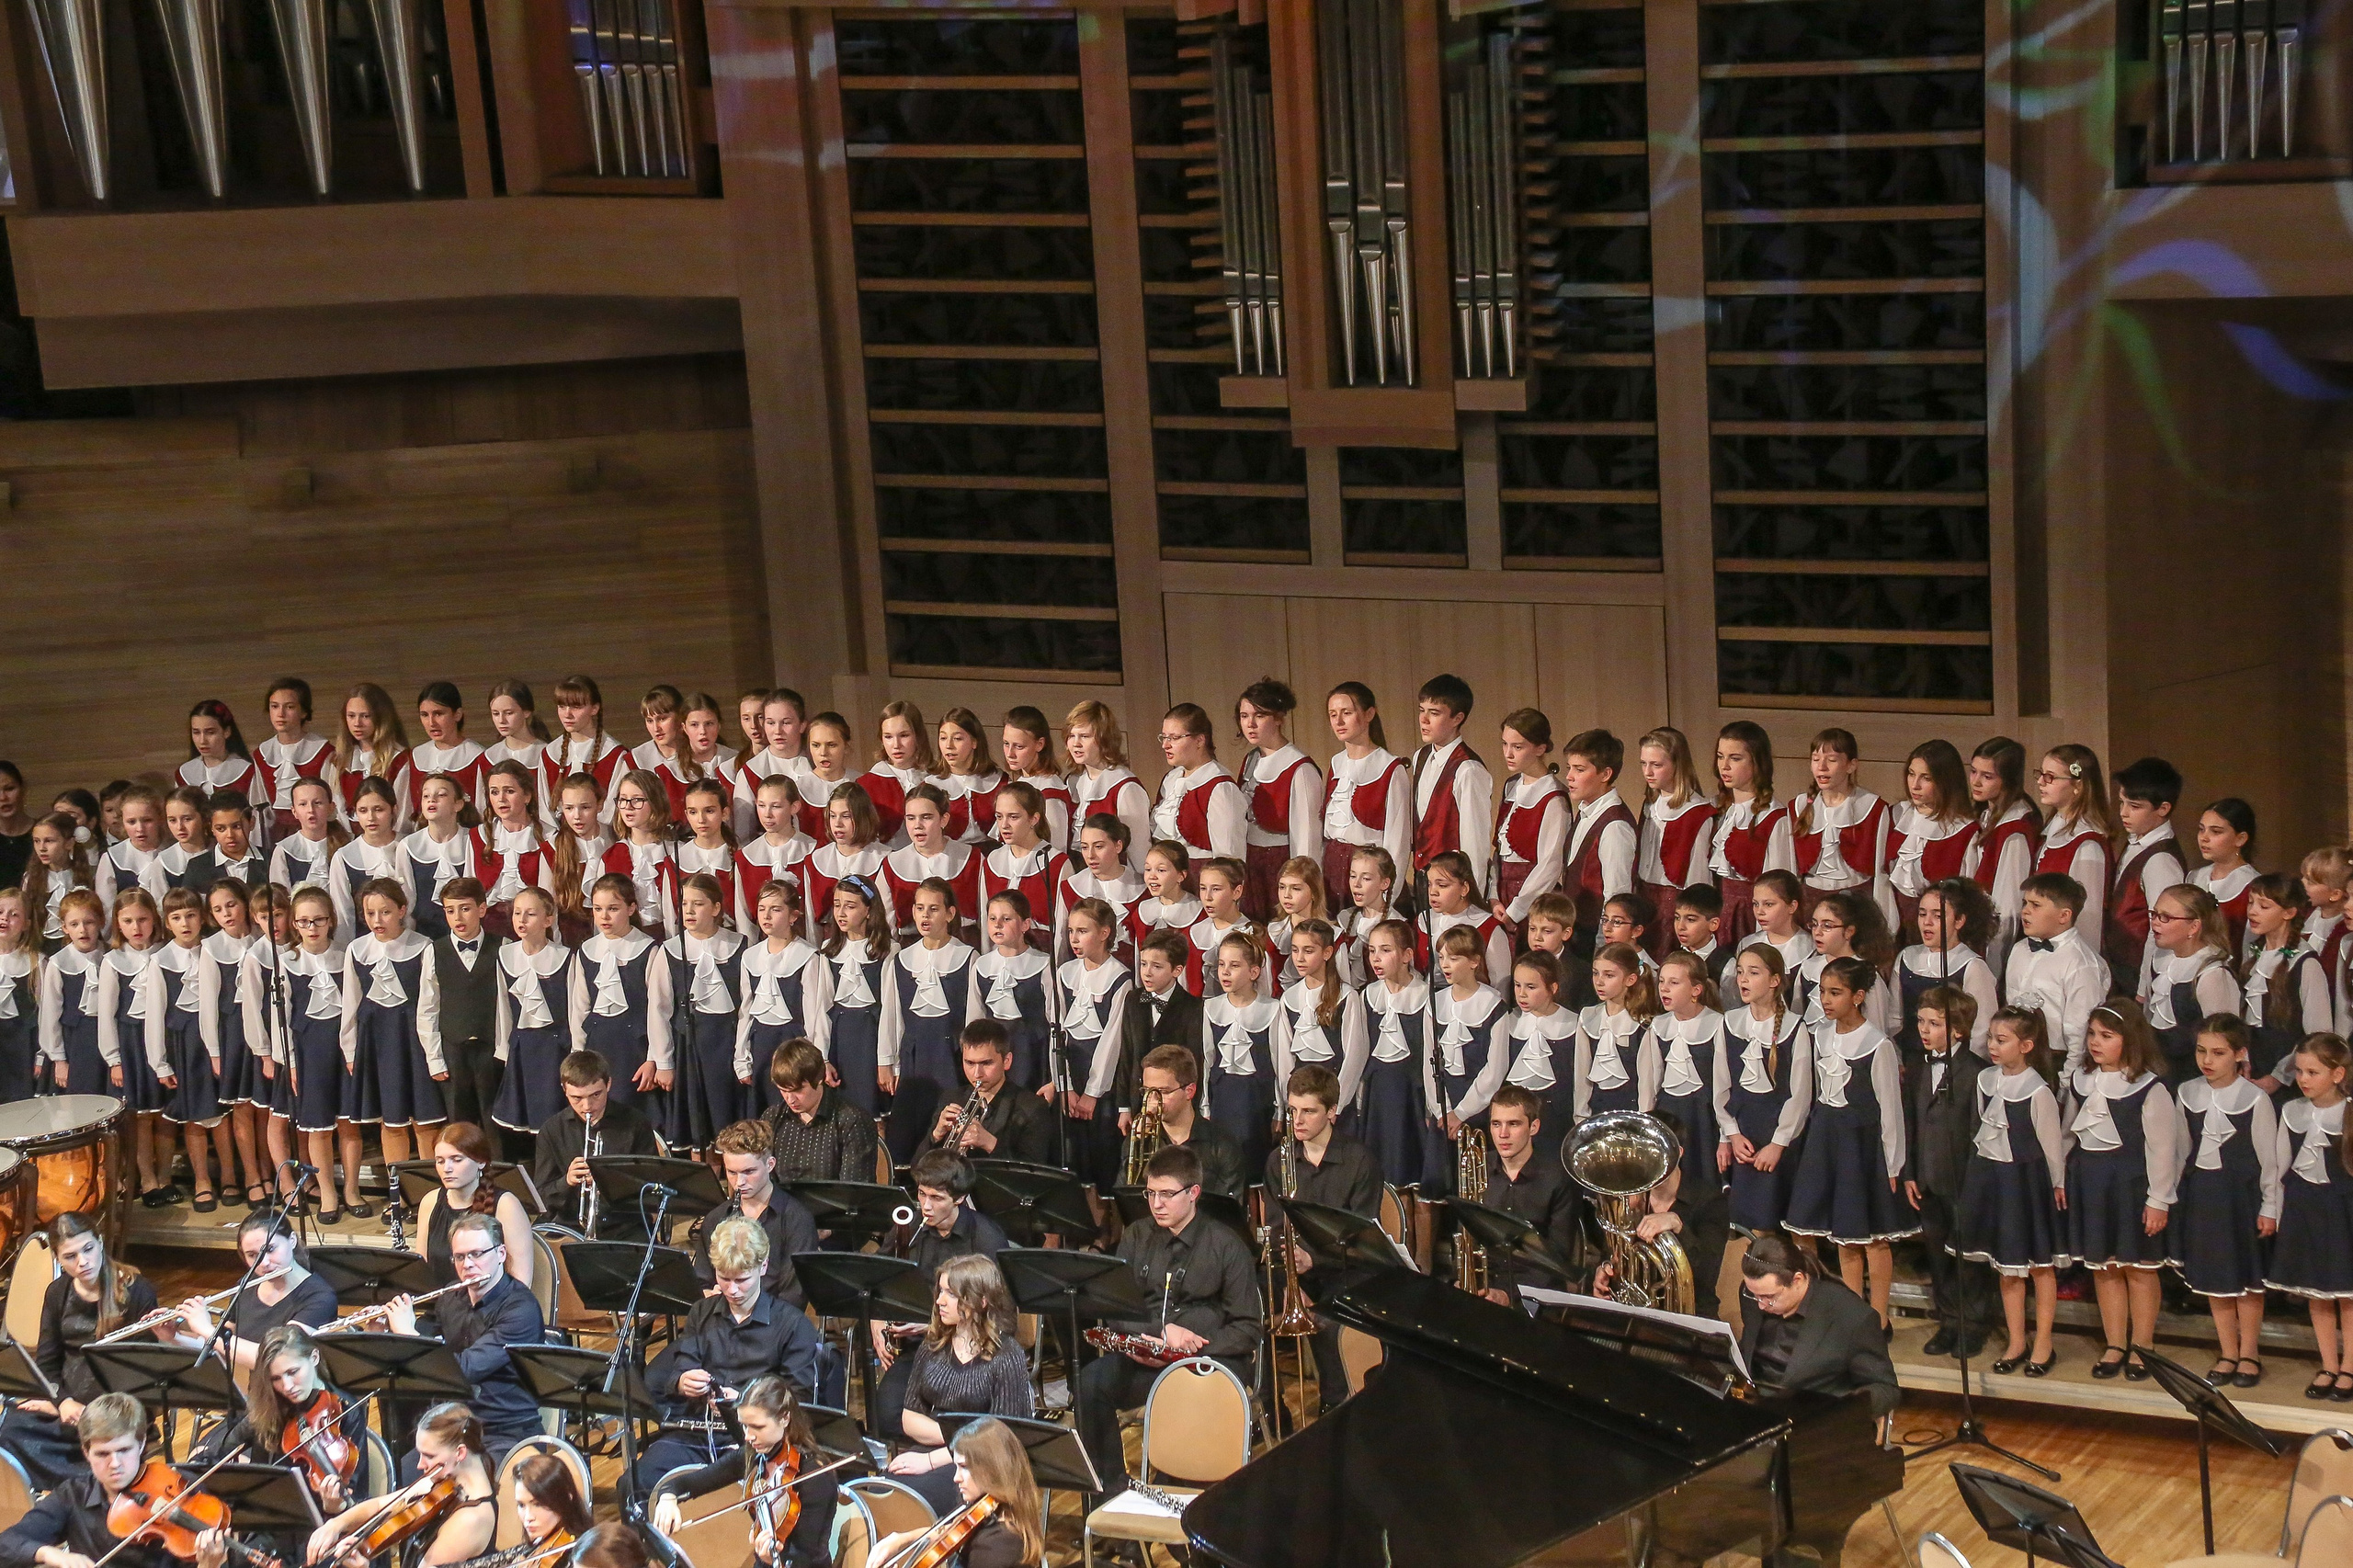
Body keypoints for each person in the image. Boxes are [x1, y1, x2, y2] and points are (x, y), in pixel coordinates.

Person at [1076, 1145, 1263, 1503]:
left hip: (1208, 1364)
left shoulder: (1227, 1245)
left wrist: (1194, 1346)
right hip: (1148, 1356)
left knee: (1192, 1397)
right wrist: (1155, 1337)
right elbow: (1116, 1308)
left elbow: (1247, 1328)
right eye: (1151, 1193)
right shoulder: (1135, 1237)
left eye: (1166, 1194)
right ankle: (1112, 1494)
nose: (1156, 1204)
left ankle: (1173, 1501)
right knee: (1090, 1383)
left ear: (1193, 1193)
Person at [1782, 958, 1915, 1331]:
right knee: (1824, 1230)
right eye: (1823, 992)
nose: (1826, 1000)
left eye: (1835, 993)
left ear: (1858, 997)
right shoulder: (1820, 1035)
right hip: (1825, 1137)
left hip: (1861, 1146)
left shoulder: (1877, 1045)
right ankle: (1846, 1311)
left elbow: (1891, 1111)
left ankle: (1878, 1316)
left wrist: (1892, 1165)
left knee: (1868, 1235)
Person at [638, 1217, 822, 1486]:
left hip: (757, 1440)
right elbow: (681, 1365)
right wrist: (683, 1381)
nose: (732, 1290)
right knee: (638, 1479)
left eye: (742, 1280)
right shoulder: (702, 1312)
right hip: (700, 1432)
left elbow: (798, 1397)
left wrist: (749, 1401)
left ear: (763, 1266)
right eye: (724, 1278)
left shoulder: (793, 1325)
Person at [0, 1216, 163, 1489]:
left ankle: (94, 1483)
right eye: (70, 1256)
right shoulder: (57, 1292)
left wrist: (89, 1412)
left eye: (88, 1249)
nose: (82, 1262)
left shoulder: (137, 1291)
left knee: (104, 1438)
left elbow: (142, 1370)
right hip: (69, 1407)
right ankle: (77, 1485)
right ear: (58, 1259)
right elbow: (47, 1363)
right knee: (10, 1429)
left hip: (117, 1407)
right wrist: (61, 1401)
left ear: (99, 1242)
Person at [2063, 1001, 2178, 1381]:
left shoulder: (2148, 1086)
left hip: (2131, 1186)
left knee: (2138, 1268)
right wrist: (2061, 1179)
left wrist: (2158, 1199)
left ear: (2129, 1040)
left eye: (2107, 1036)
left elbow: (2163, 1147)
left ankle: (2142, 1344)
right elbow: (2069, 1134)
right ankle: (2115, 1342)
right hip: (2091, 1184)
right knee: (2105, 1266)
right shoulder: (2080, 1081)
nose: (2096, 1042)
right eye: (2093, 1034)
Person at [1952, 1006, 2067, 1376]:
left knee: (2038, 1265)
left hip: (2027, 1184)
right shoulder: (1985, 1081)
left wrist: (2056, 1185)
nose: (1992, 1047)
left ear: (2027, 1045)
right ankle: (2017, 1339)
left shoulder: (2038, 1090)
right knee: (2007, 1266)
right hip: (1992, 1178)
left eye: (2002, 1041)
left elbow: (2052, 1147)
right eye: (1990, 1039)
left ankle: (2044, 1341)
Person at [2166, 1016, 2279, 1389]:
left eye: (2218, 1052)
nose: (2207, 1060)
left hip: (2241, 1198)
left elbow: (2269, 1160)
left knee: (2246, 1278)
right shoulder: (2187, 1093)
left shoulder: (2255, 1099)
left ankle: (2250, 1352)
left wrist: (2269, 1206)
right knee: (2216, 1276)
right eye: (2201, 1051)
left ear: (2240, 1054)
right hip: (2203, 1195)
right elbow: (2182, 1151)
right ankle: (2227, 1350)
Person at [382, 1214, 548, 1464]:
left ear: (501, 1253)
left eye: (477, 1254)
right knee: (402, 1480)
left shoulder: (520, 1309)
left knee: (468, 1481)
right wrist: (387, 1330)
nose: (468, 1264)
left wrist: (409, 1334)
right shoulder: (451, 1297)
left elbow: (463, 1369)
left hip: (505, 1431)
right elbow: (429, 1346)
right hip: (453, 1428)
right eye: (460, 1257)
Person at [1264, 1065, 1381, 1415]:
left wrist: (1313, 1262)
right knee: (1248, 1301)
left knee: (1330, 1319)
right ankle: (1272, 1407)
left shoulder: (1360, 1161)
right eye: (1293, 1110)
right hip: (1295, 1268)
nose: (1297, 1120)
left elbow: (1362, 1241)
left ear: (1332, 1112)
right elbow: (1273, 1226)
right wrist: (1287, 1279)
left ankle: (1336, 1404)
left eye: (1309, 1111)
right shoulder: (1278, 1160)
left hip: (1345, 1269)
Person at [882, 1256, 1034, 1513]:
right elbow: (910, 1418)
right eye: (940, 1291)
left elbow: (1000, 1439)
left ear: (981, 1301)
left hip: (981, 1468)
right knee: (884, 1491)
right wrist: (961, 1437)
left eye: (951, 1294)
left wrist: (933, 1460)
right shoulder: (932, 1346)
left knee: (913, 1502)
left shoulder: (1007, 1356)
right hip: (939, 1451)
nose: (940, 1301)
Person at [646, 1377, 835, 1568]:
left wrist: (776, 1559)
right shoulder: (753, 1456)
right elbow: (684, 1483)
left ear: (785, 1418)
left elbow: (807, 1558)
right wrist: (668, 1497)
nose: (748, 1436)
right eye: (745, 1425)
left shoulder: (815, 1474)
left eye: (758, 1427)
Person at [1900, 987, 1992, 1361]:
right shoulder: (1920, 1066)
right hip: (1927, 1180)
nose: (1924, 1029)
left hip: (1963, 1182)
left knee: (1967, 1258)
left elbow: (1977, 1134)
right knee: (1938, 1257)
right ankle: (1948, 1321)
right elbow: (1913, 1124)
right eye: (1921, 1021)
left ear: (1958, 1030)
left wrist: (1974, 1186)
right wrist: (1910, 1172)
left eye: (1934, 1024)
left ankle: (1974, 1325)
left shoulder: (1976, 1073)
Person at [2263, 1033, 2353, 1401]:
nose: (2303, 1079)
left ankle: (2350, 1366)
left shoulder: (2349, 1111)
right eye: (2299, 1071)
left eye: (2312, 1072)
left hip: (2342, 1210)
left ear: (2337, 1074)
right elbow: (2279, 1165)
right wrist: (2272, 1209)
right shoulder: (2292, 1111)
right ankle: (2329, 1363)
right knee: (2318, 1292)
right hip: (2304, 1207)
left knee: (2347, 1293)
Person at [199, 1324, 368, 1516]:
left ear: (314, 1358)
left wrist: (334, 1502)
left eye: (293, 1372)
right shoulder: (273, 1405)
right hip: (272, 1516)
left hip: (325, 1519)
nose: (287, 1386)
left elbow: (355, 1491)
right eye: (276, 1378)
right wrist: (198, 1467)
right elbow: (227, 1446)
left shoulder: (346, 1409)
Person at [307, 1403, 497, 1567]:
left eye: (429, 1456)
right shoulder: (449, 1478)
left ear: (460, 1453)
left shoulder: (471, 1520)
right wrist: (335, 1525)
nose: (420, 1465)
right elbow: (381, 1506)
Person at [0, 1392, 177, 1568]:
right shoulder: (73, 1495)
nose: (115, 1464)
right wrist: (48, 1553)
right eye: (102, 1454)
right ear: (86, 1452)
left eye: (123, 1450)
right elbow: (7, 1544)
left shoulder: (177, 1490)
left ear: (141, 1444)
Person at [1733, 1235, 1899, 1418]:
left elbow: (1885, 1390)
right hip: (1757, 1414)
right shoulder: (1753, 1295)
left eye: (1769, 1297)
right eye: (1755, 1295)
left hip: (1815, 1423)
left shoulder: (1851, 1316)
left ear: (1797, 1280)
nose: (1760, 1305)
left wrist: (1839, 1412)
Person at [165, 1210, 338, 1376]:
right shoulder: (245, 1286)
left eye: (270, 1249)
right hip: (255, 1394)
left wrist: (206, 1329)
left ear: (292, 1240)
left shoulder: (320, 1298)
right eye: (252, 1255)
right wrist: (174, 1338)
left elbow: (278, 1360)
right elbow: (225, 1349)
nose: (264, 1262)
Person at [873, 1417, 1046, 1568]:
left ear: (991, 1469)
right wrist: (901, 1539)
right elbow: (952, 1531)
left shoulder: (994, 1548)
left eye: (964, 1467)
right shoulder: (994, 1510)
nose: (956, 1478)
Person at [532, 1048, 663, 1240]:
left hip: (624, 1225)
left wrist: (611, 1182)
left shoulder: (635, 1123)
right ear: (564, 1089)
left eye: (595, 1095)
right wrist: (567, 1181)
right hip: (570, 1226)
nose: (587, 1106)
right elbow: (541, 1197)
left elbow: (653, 1189)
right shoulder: (551, 1130)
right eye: (576, 1098)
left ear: (608, 1084)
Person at [1472, 1086, 1580, 1303]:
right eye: (1496, 1124)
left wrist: (1507, 1294)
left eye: (1513, 1124)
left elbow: (1557, 1259)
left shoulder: (1557, 1178)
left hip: (1536, 1295)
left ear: (1534, 1127)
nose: (1503, 1134)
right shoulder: (1477, 1168)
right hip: (1485, 1288)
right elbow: (1467, 1240)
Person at [694, 1120, 819, 1307]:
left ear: (770, 1164)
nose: (739, 1183)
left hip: (774, 1326)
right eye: (732, 1173)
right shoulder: (716, 1218)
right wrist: (709, 1296)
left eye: (749, 1171)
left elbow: (794, 1297)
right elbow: (702, 1281)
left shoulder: (796, 1219)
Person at [417, 878, 506, 1133]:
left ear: (482, 909)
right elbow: (427, 1009)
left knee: (495, 1124)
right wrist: (435, 1059)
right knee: (458, 1125)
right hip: (453, 1052)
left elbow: (508, 1006)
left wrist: (505, 1050)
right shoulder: (435, 951)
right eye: (450, 910)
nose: (458, 917)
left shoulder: (503, 948)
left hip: (492, 1051)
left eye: (465, 908)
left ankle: (496, 1172)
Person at [2002, 872, 2108, 1077]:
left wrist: (2067, 1084)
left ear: (2064, 916)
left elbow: (2080, 1034)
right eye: (2025, 903)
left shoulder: (2081, 964)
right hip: (2015, 1056)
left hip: (2054, 1062)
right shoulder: (2019, 949)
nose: (2025, 911)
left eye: (2036, 905)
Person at [417, 1121, 537, 1290]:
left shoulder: (506, 1205)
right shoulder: (429, 1201)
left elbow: (521, 1284)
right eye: (440, 1161)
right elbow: (420, 1275)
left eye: (456, 1160)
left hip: (491, 1311)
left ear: (481, 1162)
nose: (447, 1169)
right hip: (440, 1309)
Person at [917, 1021, 1052, 1165]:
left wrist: (991, 1144)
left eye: (986, 1063)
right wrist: (936, 1135)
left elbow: (1032, 1176)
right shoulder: (951, 1098)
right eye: (969, 1063)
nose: (977, 1074)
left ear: (1006, 1061)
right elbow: (917, 1170)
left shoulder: (1032, 1107)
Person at [2108, 756, 2188, 995]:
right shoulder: (2137, 843)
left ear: (2163, 808)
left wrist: (2145, 987)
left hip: (2137, 978)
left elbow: (2162, 929)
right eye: (2121, 803)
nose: (2123, 813)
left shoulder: (2160, 860)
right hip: (2120, 973)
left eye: (2134, 806)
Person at [1131, 1044, 1245, 1200]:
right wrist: (1137, 1145)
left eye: (1162, 1092)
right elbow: (1129, 1202)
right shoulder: (1139, 1141)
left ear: (1189, 1091)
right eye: (1147, 1092)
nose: (1152, 1101)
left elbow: (1230, 1211)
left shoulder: (1222, 1145)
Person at [761, 1037, 881, 1184]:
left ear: (819, 1080)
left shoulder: (852, 1121)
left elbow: (854, 1193)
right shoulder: (772, 1118)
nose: (790, 1099)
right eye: (783, 1090)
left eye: (797, 1090)